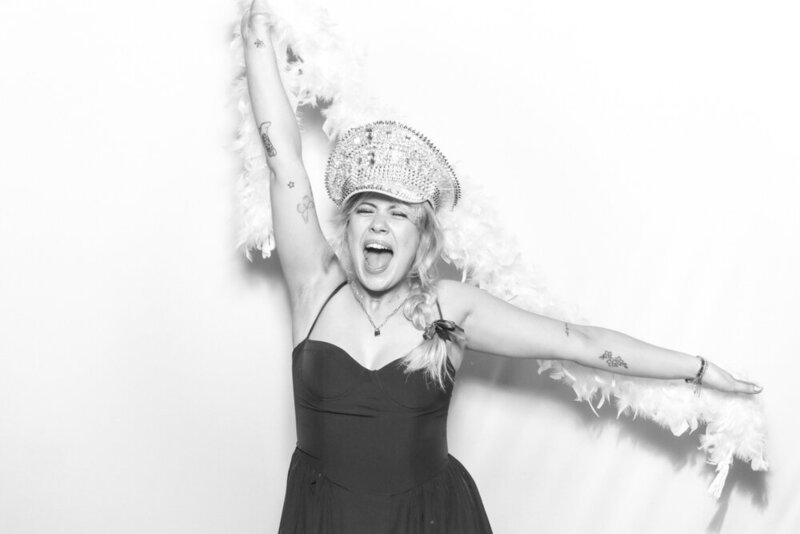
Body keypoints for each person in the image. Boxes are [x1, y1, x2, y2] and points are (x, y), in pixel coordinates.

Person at [240, 3, 762, 532]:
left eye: (398, 214)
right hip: (324, 518)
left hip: (430, 519)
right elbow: (282, 156)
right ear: (348, 226)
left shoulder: (449, 308)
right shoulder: (315, 285)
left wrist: (696, 368)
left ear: (421, 236)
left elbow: (575, 341)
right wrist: (254, 31)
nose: (378, 226)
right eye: (367, 211)